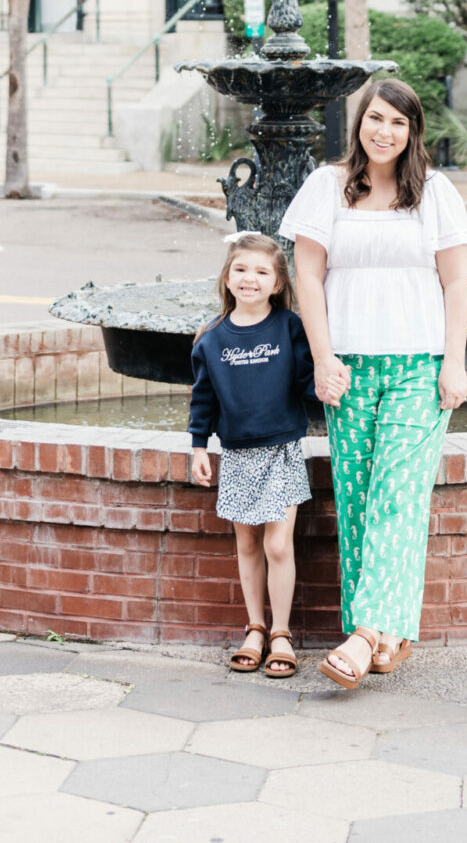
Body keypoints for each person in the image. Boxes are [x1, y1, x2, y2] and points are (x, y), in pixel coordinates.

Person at [280, 77, 467, 690]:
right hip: (350, 368)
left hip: (418, 365)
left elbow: (456, 283)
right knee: (359, 498)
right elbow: (306, 278)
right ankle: (389, 631)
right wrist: (323, 359)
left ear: (413, 131)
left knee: (397, 494)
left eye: (398, 122)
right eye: (375, 119)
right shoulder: (326, 187)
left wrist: (453, 362)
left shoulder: (435, 193)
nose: (384, 132)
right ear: (358, 122)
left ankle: (363, 636)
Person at [189, 231, 315, 678]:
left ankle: (282, 632)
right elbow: (202, 400)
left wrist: (333, 380)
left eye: (262, 271)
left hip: (281, 450)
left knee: (278, 544)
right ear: (227, 276)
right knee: (247, 542)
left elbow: (306, 381)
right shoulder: (211, 339)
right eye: (241, 269)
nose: (250, 278)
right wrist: (198, 446)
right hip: (239, 454)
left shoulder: (289, 327)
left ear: (278, 283)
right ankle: (255, 628)